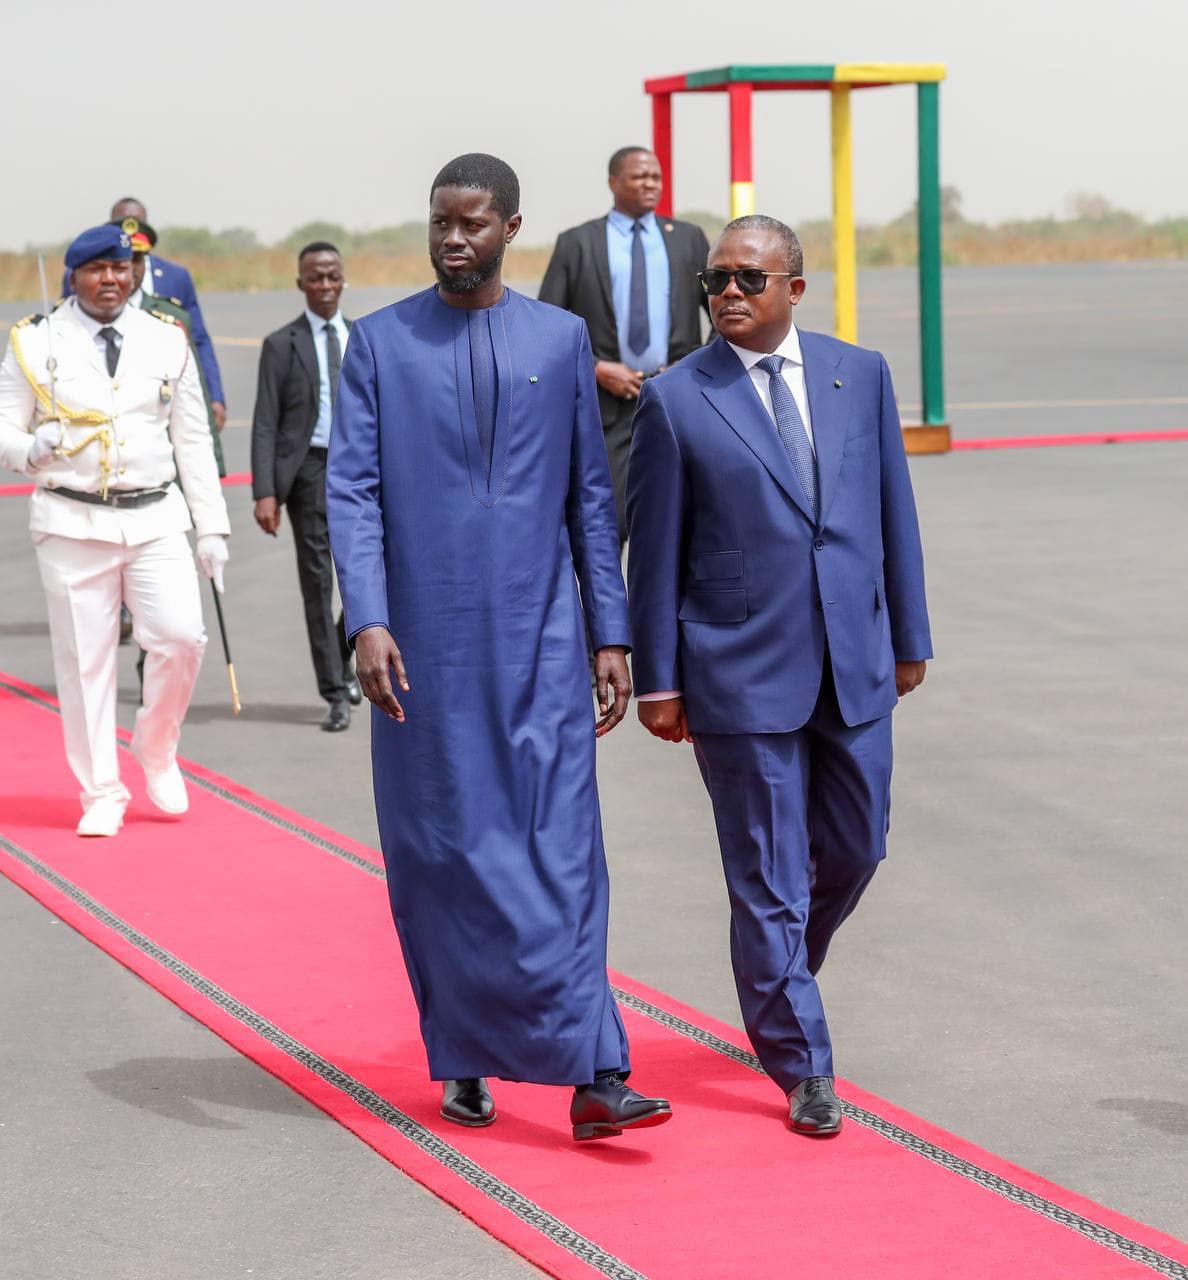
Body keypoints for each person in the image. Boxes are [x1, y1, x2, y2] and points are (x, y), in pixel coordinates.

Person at [327, 153, 672, 1141]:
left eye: (472, 222)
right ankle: (465, 1053)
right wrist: (369, 619)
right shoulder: (381, 346)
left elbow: (588, 499)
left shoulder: (559, 340)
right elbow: (352, 492)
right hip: (422, 655)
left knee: (563, 851)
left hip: (542, 644)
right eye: (440, 220)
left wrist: (610, 630)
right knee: (444, 855)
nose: (452, 238)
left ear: (511, 227)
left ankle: (598, 1070)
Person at [626, 214, 931, 1138]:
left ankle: (777, 974)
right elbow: (657, 550)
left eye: (747, 280)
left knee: (857, 848)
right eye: (715, 280)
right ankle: (804, 1065)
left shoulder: (859, 374)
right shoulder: (676, 399)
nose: (726, 294)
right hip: (736, 672)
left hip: (855, 662)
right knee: (766, 878)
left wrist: (910, 636)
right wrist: (658, 681)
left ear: (794, 288)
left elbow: (892, 513)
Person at [0, 224, 230, 837]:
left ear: (133, 274)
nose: (110, 280)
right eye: (96, 269)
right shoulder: (36, 343)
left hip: (155, 517)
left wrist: (212, 528)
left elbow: (193, 440)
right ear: (73, 276)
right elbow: (4, 429)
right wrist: (30, 448)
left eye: (120, 269)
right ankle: (102, 789)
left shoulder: (166, 339)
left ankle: (155, 746)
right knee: (85, 662)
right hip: (72, 521)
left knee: (182, 638)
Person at [538, 146, 710, 543]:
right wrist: (596, 368)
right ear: (614, 181)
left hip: (676, 402)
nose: (650, 184)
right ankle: (610, 606)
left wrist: (692, 367)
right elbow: (548, 326)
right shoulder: (577, 243)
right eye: (639, 176)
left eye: (656, 177)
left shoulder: (688, 239)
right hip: (607, 410)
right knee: (607, 526)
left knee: (681, 526)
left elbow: (722, 313)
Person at [250, 242, 359, 731]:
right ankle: (335, 691)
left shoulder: (362, 337)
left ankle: (342, 652)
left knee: (369, 573)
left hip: (361, 471)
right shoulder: (282, 344)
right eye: (315, 278)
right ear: (301, 284)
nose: (325, 286)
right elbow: (265, 421)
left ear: (343, 280)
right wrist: (265, 492)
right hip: (308, 472)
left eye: (332, 276)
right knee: (318, 583)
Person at [63, 198, 226, 431]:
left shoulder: (175, 276)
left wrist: (215, 396)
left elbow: (198, 340)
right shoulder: (86, 274)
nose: (112, 278)